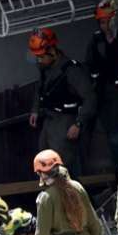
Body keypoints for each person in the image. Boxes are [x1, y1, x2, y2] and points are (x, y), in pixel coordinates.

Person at [28, 27, 97, 176]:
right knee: (44, 163)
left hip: (65, 121)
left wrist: (78, 123)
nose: (39, 60)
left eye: (41, 56)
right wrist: (35, 109)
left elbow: (90, 98)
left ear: (52, 51)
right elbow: (41, 88)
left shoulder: (71, 70)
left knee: (61, 165)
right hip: (49, 120)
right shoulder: (45, 67)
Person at [85, 0, 118, 174]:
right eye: (102, 22)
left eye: (108, 21)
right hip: (103, 93)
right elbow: (89, 65)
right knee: (111, 135)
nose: (105, 25)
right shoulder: (96, 40)